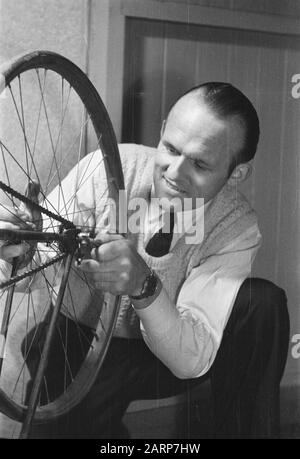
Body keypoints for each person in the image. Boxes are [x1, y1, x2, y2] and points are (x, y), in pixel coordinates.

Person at [0, 82, 290, 438]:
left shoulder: (236, 227)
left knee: (261, 304)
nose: (174, 173)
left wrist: (143, 287)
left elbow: (189, 360)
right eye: (170, 148)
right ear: (163, 128)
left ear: (237, 173)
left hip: (163, 352)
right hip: (79, 341)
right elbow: (32, 269)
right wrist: (20, 249)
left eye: (199, 164)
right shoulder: (109, 168)